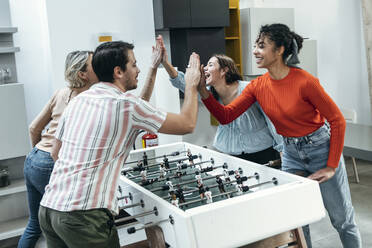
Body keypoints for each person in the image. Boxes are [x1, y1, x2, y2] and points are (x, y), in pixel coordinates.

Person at [199, 23, 361, 248]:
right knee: (297, 222)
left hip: (320, 149)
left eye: (262, 46)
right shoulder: (258, 85)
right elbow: (227, 116)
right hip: (291, 154)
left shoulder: (305, 82)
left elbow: (337, 120)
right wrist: (203, 92)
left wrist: (331, 165)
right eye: (255, 45)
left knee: (342, 220)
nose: (255, 50)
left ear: (280, 50)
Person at [38, 37, 201, 248]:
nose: (138, 70)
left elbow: (55, 153)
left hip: (50, 209)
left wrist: (153, 68)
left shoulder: (79, 100)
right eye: (134, 64)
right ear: (118, 72)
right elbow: (187, 124)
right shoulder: (126, 105)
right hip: (84, 216)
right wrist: (191, 84)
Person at [18, 51, 98, 248]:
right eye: (93, 64)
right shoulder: (88, 99)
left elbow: (33, 128)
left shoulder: (60, 93)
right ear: (82, 74)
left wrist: (39, 155)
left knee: (34, 224)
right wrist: (51, 162)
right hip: (50, 163)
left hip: (33, 159)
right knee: (63, 226)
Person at [160, 37, 283, 164]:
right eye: (205, 65)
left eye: (210, 65)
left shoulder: (250, 89)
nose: (205, 69)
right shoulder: (208, 93)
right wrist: (165, 62)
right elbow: (182, 82)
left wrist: (282, 149)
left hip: (262, 151)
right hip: (228, 153)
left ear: (224, 70)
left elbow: (272, 120)